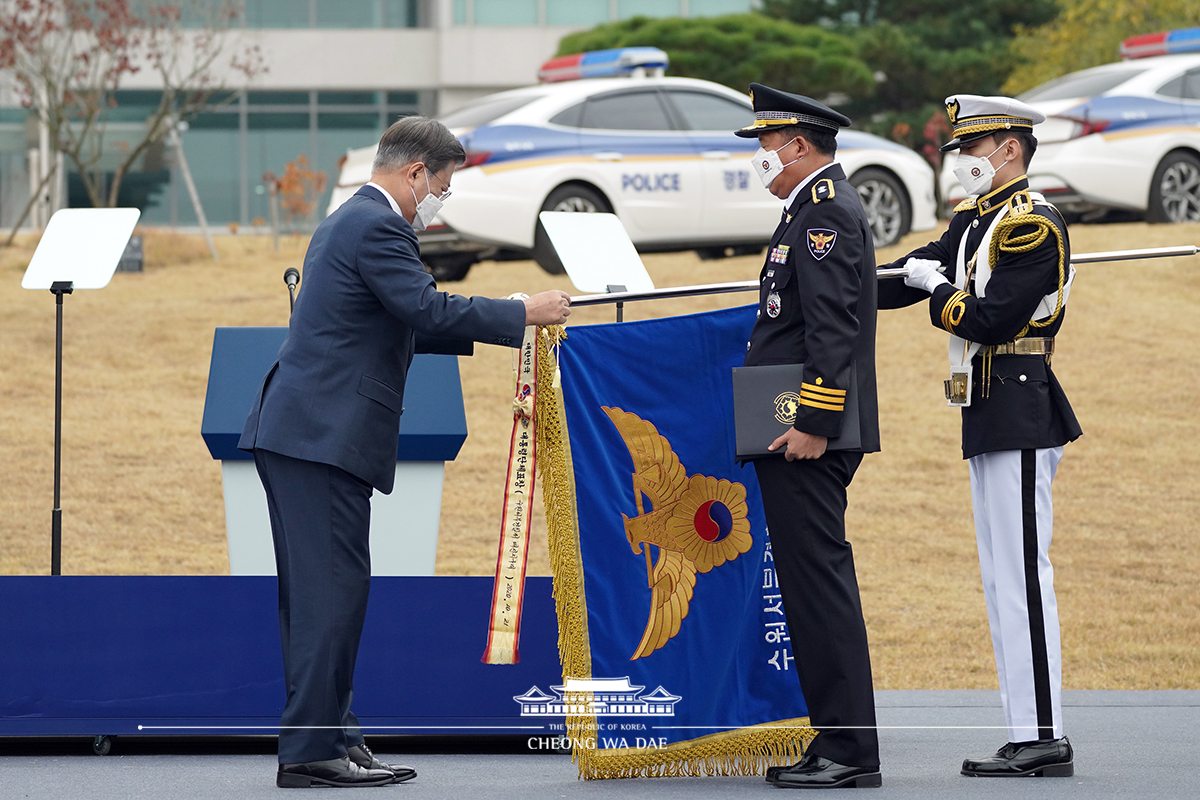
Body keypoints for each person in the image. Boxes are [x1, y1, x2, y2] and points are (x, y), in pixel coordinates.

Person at [238, 116, 571, 788]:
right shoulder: (378, 224)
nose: (438, 202)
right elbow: (423, 308)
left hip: (307, 433)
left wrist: (501, 308)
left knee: (324, 596)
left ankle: (334, 733)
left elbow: (395, 316)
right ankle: (310, 751)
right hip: (318, 437)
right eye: (441, 188)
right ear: (416, 171)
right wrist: (521, 313)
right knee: (329, 597)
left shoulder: (352, 218)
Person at [877, 94, 1080, 778]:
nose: (961, 160)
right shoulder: (975, 222)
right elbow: (909, 273)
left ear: (1010, 150)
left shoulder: (1032, 226)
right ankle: (1025, 727)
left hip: (1021, 404)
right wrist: (833, 275)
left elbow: (990, 320)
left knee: (1023, 571)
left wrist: (936, 291)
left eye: (972, 148)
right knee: (1001, 579)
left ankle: (1044, 733)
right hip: (987, 407)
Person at [735, 83, 882, 790]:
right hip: (787, 422)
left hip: (805, 431)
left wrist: (814, 423)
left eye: (765, 144)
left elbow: (833, 330)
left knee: (819, 587)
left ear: (798, 145)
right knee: (807, 586)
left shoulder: (825, 214)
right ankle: (835, 740)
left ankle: (850, 753)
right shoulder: (806, 210)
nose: (759, 157)